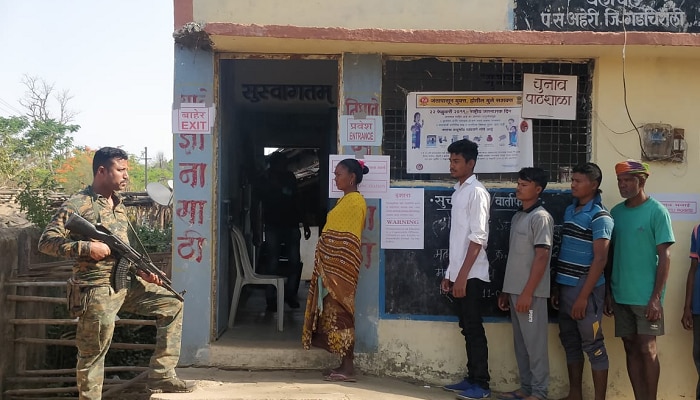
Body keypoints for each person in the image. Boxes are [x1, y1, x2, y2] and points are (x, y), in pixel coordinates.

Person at [37, 147, 192, 399]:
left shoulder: (118, 205)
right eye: (120, 170)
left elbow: (122, 251)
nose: (126, 176)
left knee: (172, 303)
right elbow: (45, 242)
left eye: (126, 170)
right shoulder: (78, 204)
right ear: (101, 170)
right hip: (96, 289)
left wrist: (141, 270)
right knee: (93, 353)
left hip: (124, 284)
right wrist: (87, 247)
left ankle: (162, 376)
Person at [605, 160, 674, 400]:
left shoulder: (657, 211)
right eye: (619, 181)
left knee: (648, 349)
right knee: (630, 348)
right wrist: (608, 294)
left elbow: (665, 257)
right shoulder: (615, 213)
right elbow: (610, 255)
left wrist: (656, 298)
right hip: (620, 294)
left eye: (627, 181)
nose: (622, 185)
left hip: (646, 298)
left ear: (641, 181)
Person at [302, 158, 369, 382]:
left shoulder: (355, 202)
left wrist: (328, 254)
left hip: (341, 270)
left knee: (342, 316)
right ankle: (342, 363)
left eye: (339, 174)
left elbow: (348, 240)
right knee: (333, 316)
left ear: (352, 178)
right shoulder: (344, 201)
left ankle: (348, 368)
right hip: (331, 269)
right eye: (335, 174)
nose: (335, 178)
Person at [553, 162, 612, 400]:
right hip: (565, 288)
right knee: (569, 342)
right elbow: (564, 249)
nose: (572, 184)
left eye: (578, 180)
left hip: (585, 291)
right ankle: (574, 394)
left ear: (594, 184)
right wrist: (558, 285)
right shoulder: (570, 211)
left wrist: (583, 297)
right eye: (573, 179)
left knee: (594, 346)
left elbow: (600, 260)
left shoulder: (600, 217)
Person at [440, 139, 492, 400]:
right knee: (466, 327)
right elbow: (456, 239)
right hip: (459, 273)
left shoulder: (477, 192)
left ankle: (481, 384)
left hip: (471, 275)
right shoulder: (458, 191)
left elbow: (477, 238)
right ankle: (471, 378)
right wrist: (450, 274)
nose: (452, 165)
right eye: (450, 161)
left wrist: (461, 276)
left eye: (457, 161)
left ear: (471, 163)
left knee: (473, 327)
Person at [497, 167, 553, 400]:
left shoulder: (541, 218)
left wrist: (528, 293)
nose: (518, 188)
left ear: (538, 190)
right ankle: (526, 389)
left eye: (524, 184)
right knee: (521, 345)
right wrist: (506, 290)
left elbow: (542, 256)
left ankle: (539, 393)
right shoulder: (519, 216)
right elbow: (516, 257)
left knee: (535, 345)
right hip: (515, 292)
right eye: (518, 183)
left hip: (531, 294)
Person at [258, 152, 311, 310]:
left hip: (291, 225)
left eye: (284, 164)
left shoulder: (290, 177)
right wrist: (257, 229)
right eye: (281, 163)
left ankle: (290, 294)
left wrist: (305, 223)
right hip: (273, 225)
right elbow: (257, 205)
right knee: (272, 262)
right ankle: (270, 298)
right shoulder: (265, 179)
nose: (284, 166)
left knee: (294, 262)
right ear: (274, 164)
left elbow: (298, 200)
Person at [682, 223, 700, 399]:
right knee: (699, 355)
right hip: (698, 306)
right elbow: (693, 269)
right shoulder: (697, 230)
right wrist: (687, 307)